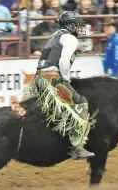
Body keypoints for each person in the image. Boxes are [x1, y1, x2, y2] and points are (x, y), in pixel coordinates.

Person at [33, 11, 95, 159]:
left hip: (39, 78)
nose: (79, 27)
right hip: (51, 78)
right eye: (76, 24)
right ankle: (77, 147)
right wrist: (65, 78)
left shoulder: (55, 36)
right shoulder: (69, 39)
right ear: (69, 25)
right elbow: (63, 61)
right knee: (81, 104)